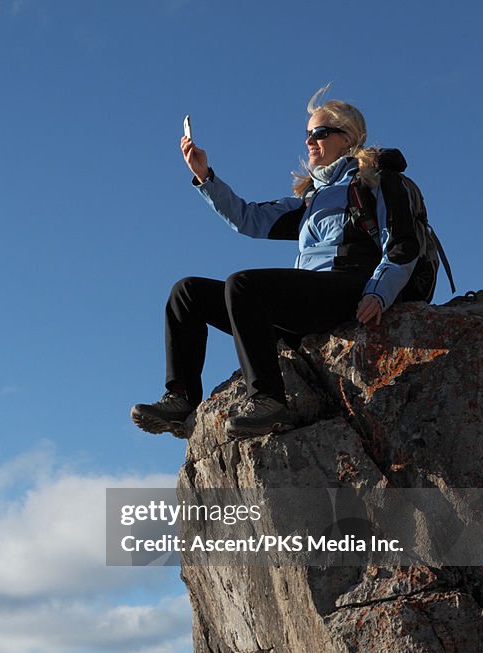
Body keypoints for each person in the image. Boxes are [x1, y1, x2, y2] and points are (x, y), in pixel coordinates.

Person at [131, 86, 419, 440]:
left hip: (352, 291)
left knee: (244, 284)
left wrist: (378, 294)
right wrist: (205, 177)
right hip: (308, 302)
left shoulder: (378, 181)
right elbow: (248, 218)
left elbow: (403, 245)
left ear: (349, 138)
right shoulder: (310, 199)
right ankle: (180, 401)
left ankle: (268, 402)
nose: (310, 141)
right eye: (307, 135)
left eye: (320, 133)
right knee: (187, 292)